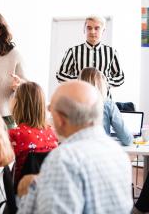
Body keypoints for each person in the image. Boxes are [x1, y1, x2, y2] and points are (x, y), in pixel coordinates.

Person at [17, 81, 132, 214]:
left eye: (51, 108)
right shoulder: (118, 153)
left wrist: (28, 196)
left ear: (60, 119)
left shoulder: (63, 160)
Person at [8, 82, 58, 187]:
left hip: (20, 194)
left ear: (18, 104)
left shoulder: (13, 135)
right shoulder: (52, 133)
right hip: (46, 191)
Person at [56, 15, 124, 90]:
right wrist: (80, 80)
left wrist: (104, 81)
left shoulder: (111, 52)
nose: (92, 31)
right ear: (84, 30)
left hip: (104, 100)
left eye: (97, 28)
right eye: (89, 28)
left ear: (103, 31)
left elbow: (120, 77)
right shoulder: (73, 51)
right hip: (79, 99)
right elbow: (60, 75)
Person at [78, 67, 133, 146]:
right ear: (101, 85)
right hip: (100, 153)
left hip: (74, 154)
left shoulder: (69, 104)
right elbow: (127, 139)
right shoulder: (107, 105)